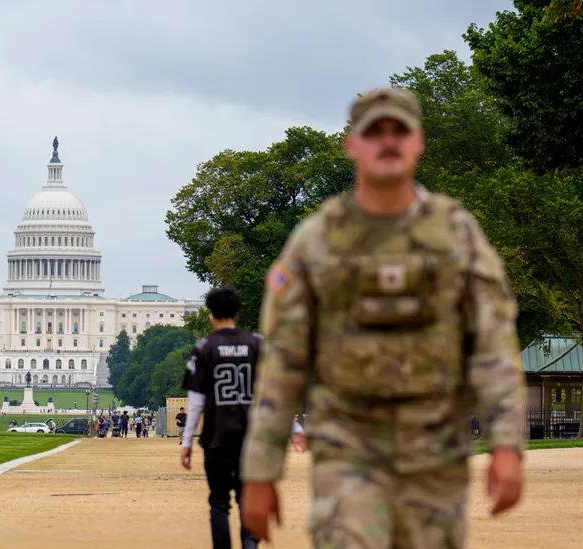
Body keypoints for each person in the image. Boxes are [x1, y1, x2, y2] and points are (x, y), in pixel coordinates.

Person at [240, 87, 527, 547]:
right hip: (346, 450)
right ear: (352, 144)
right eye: (375, 131)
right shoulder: (316, 242)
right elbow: (283, 363)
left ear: (419, 142)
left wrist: (507, 445)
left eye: (400, 131)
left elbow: (492, 349)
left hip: (435, 455)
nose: (388, 141)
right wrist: (260, 470)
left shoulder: (456, 235)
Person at [179, 287, 261, 549]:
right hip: (251, 437)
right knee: (247, 497)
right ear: (237, 312)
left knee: (218, 502)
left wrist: (186, 441)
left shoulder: (204, 347)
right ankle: (250, 544)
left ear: (211, 314)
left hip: (217, 436)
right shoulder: (257, 344)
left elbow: (196, 402)